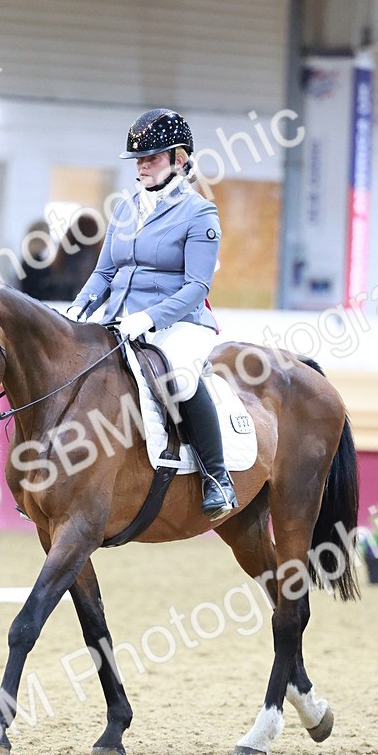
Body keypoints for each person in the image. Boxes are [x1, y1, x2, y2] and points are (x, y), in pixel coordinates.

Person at [66, 107, 237, 521]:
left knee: (178, 378)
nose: (142, 166)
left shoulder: (199, 214)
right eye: (139, 159)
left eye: (153, 157)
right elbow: (105, 271)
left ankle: (217, 477)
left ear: (179, 158)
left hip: (179, 324)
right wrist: (78, 306)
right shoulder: (125, 209)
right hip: (119, 319)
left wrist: (150, 319)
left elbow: (197, 287)